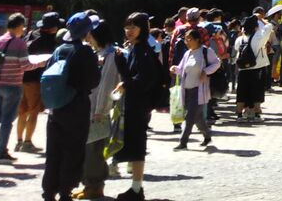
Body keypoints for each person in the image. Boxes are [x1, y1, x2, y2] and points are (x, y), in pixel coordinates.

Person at [41, 12, 101, 201]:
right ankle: (65, 190)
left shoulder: (59, 50)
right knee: (73, 151)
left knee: (54, 151)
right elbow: (93, 81)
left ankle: (48, 190)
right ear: (87, 32)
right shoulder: (85, 52)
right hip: (77, 106)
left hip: (56, 107)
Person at [115, 12, 162, 201]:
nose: (129, 31)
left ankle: (136, 189)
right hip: (134, 103)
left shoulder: (142, 50)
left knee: (137, 145)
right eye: (127, 27)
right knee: (134, 145)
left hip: (139, 104)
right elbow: (131, 75)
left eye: (133, 27)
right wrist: (121, 63)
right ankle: (135, 187)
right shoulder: (136, 48)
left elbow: (145, 79)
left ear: (142, 28)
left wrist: (126, 83)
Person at [79, 20, 120, 201]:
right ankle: (90, 186)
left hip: (98, 111)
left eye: (91, 35)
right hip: (91, 108)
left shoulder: (111, 56)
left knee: (94, 150)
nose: (88, 39)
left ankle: (94, 187)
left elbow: (107, 85)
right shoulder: (101, 53)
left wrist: (100, 109)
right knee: (90, 149)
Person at [18, 11, 63, 153]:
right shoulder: (49, 40)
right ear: (53, 28)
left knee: (22, 111)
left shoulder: (31, 34)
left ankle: (19, 141)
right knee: (34, 111)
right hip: (35, 80)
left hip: (22, 78)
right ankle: (27, 142)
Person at [0, 13, 28, 162]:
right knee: (7, 120)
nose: (23, 29)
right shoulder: (19, 43)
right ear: (19, 26)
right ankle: (2, 152)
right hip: (13, 85)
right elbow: (25, 64)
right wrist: (41, 63)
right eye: (23, 26)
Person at [171, 28, 219, 150]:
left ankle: (183, 142)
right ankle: (207, 135)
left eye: (189, 39)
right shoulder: (187, 53)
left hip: (198, 90)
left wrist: (206, 71)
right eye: (186, 39)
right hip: (186, 90)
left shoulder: (205, 51)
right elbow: (182, 69)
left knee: (189, 117)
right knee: (198, 118)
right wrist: (175, 68)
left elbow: (216, 63)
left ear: (197, 40)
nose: (187, 42)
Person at [232, 15, 271, 122]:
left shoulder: (240, 39)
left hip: (242, 69)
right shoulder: (259, 37)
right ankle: (256, 115)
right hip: (257, 68)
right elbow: (269, 27)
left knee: (242, 92)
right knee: (257, 91)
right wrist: (262, 19)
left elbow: (236, 48)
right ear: (255, 27)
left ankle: (239, 115)